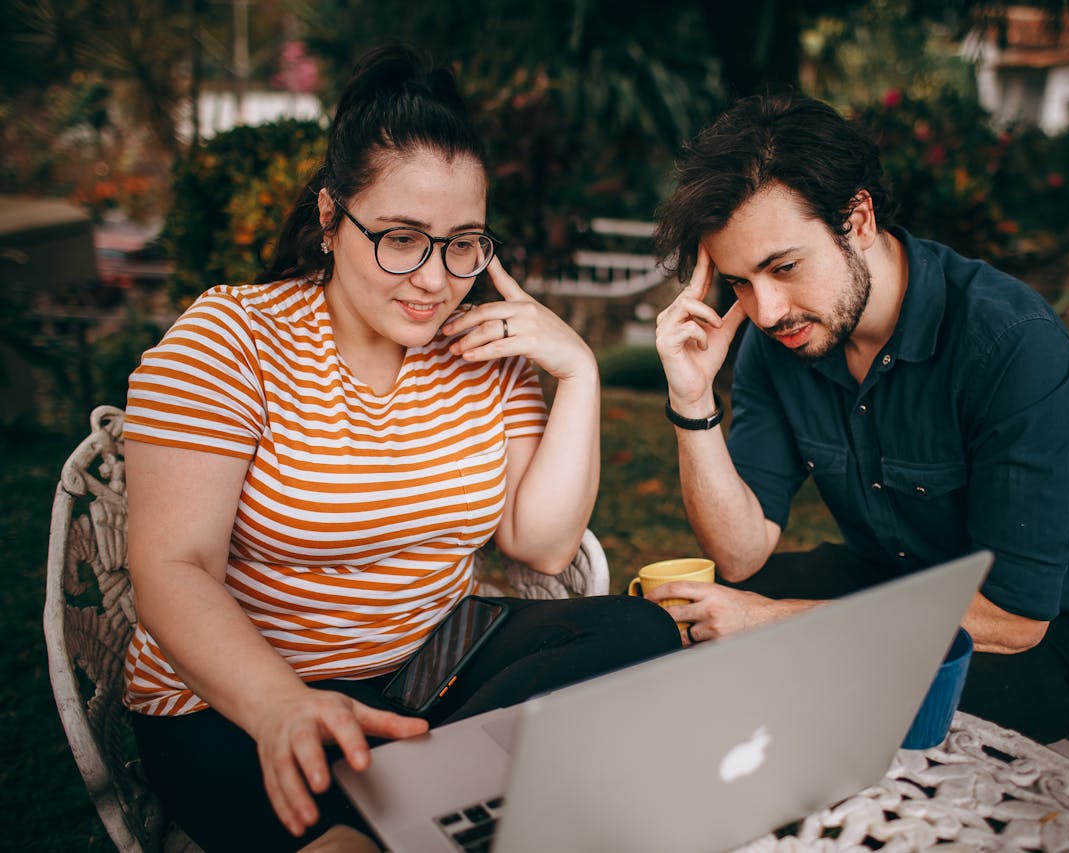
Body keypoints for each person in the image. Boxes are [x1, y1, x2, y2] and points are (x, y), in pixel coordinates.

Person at [122, 44, 679, 852]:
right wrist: (280, 704)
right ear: (328, 217)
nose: (434, 278)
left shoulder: (483, 352)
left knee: (641, 637)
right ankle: (427, 805)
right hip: (240, 705)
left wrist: (579, 371)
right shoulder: (231, 339)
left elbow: (544, 543)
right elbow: (172, 567)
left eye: (462, 243)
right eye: (402, 237)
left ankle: (419, 794)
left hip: (427, 673)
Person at [648, 92, 1069, 744]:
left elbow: (1018, 619)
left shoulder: (1008, 341)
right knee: (673, 618)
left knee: (804, 682)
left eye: (784, 267)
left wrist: (773, 621)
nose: (766, 311)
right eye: (739, 282)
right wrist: (692, 400)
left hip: (1049, 638)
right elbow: (740, 553)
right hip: (896, 579)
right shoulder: (782, 340)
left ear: (857, 219)